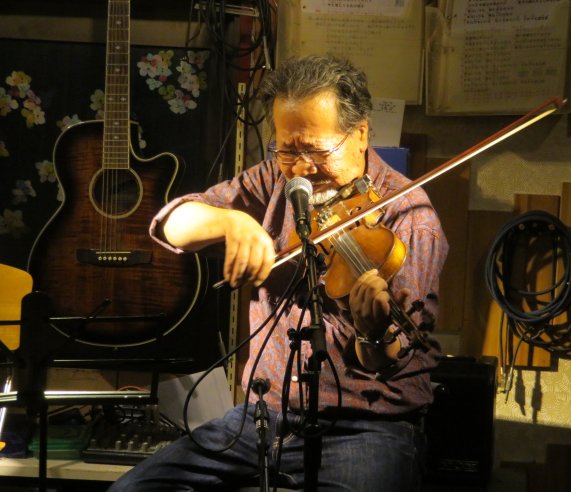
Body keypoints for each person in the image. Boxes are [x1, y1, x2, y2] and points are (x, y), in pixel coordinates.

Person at [109, 54, 448, 492]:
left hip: (365, 427)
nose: (302, 168)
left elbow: (386, 360)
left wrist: (373, 333)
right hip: (262, 418)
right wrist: (231, 221)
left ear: (361, 134)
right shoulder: (276, 178)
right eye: (287, 149)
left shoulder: (410, 217)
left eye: (317, 150)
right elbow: (173, 222)